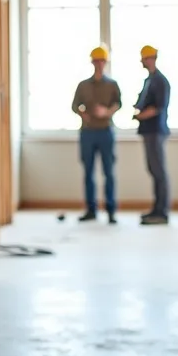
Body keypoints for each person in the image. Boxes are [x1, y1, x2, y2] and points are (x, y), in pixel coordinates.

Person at [71, 46, 122, 224]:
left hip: (106, 132)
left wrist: (107, 111)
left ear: (105, 62)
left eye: (102, 61)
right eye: (96, 61)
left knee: (109, 172)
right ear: (92, 62)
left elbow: (118, 103)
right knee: (88, 172)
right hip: (88, 132)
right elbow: (75, 105)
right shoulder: (83, 85)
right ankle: (90, 210)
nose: (99, 64)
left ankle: (111, 210)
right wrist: (83, 113)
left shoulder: (112, 85)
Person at [132, 45, 171, 225]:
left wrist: (140, 115)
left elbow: (158, 107)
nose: (142, 61)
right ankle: (156, 209)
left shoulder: (160, 81)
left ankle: (162, 213)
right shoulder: (149, 80)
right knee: (153, 171)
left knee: (159, 172)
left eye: (144, 58)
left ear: (151, 58)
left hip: (156, 131)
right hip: (148, 131)